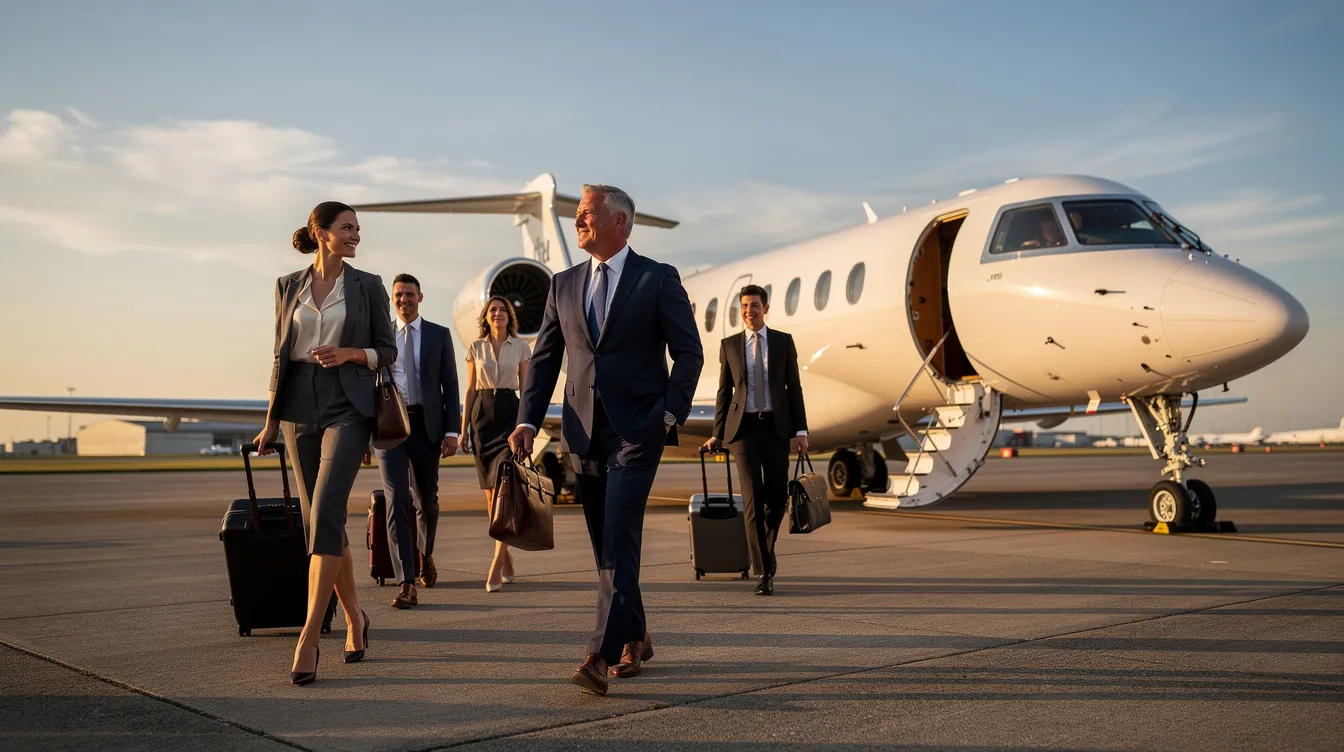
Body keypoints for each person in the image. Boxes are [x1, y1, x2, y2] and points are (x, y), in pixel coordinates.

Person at [509, 184, 702, 696]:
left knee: (618, 534)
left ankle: (600, 652)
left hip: (639, 430)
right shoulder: (563, 284)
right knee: (604, 544)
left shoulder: (657, 278)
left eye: (587, 213)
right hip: (583, 429)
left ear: (620, 221)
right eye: (577, 214)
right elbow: (545, 359)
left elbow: (689, 353)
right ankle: (636, 634)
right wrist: (528, 419)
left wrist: (669, 413)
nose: (578, 221)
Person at [253, 201, 397, 685]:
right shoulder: (287, 285)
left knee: (328, 509)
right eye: (347, 227)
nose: (356, 235)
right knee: (320, 520)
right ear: (321, 233)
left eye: (357, 228)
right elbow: (280, 357)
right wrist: (272, 421)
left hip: (347, 404)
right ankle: (356, 617)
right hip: (297, 407)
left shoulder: (368, 285)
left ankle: (310, 636)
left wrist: (350, 353)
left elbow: (388, 351)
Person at [703, 284, 808, 596]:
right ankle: (763, 571)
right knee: (752, 499)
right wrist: (717, 433)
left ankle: (766, 548)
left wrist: (801, 431)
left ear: (766, 308)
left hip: (776, 427)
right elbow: (724, 392)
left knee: (777, 498)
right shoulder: (730, 345)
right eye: (745, 306)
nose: (750, 311)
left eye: (755, 305)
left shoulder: (783, 342)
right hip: (743, 430)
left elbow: (794, 387)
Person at [374, 273, 461, 609]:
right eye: (398, 295)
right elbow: (368, 385)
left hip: (427, 425)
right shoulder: (381, 335)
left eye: (409, 294)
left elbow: (450, 386)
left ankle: (426, 553)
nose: (403, 300)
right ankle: (406, 582)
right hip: (390, 425)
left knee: (427, 502)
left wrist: (452, 432)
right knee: (396, 499)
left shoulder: (439, 335)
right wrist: (367, 435)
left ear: (420, 297)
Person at [461, 296, 532, 592]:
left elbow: (526, 389)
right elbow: (470, 390)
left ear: (509, 316)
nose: (498, 313)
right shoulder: (475, 348)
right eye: (493, 310)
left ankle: (495, 563)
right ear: (486, 317)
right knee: (491, 499)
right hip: (482, 420)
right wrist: (463, 431)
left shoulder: (521, 347)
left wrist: (526, 425)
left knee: (505, 492)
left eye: (503, 310)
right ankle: (506, 556)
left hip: (509, 417)